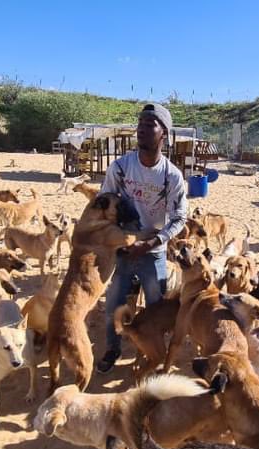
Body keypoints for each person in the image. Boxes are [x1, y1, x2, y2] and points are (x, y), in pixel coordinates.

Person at [96, 103, 187, 374]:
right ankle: (113, 348)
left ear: (164, 135)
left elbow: (179, 218)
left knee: (156, 306)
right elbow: (104, 202)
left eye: (151, 125)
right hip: (124, 249)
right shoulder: (121, 168)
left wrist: (151, 243)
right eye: (140, 124)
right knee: (113, 302)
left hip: (154, 250)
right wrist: (118, 239)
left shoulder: (172, 177)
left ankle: (148, 350)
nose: (142, 130)